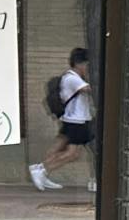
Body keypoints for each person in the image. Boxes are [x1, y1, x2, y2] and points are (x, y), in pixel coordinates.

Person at [31, 48, 95, 192]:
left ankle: (41, 171)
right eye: (86, 64)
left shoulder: (71, 77)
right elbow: (91, 90)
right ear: (79, 63)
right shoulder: (73, 78)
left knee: (59, 147)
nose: (87, 68)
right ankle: (41, 170)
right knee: (72, 153)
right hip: (76, 121)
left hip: (73, 119)